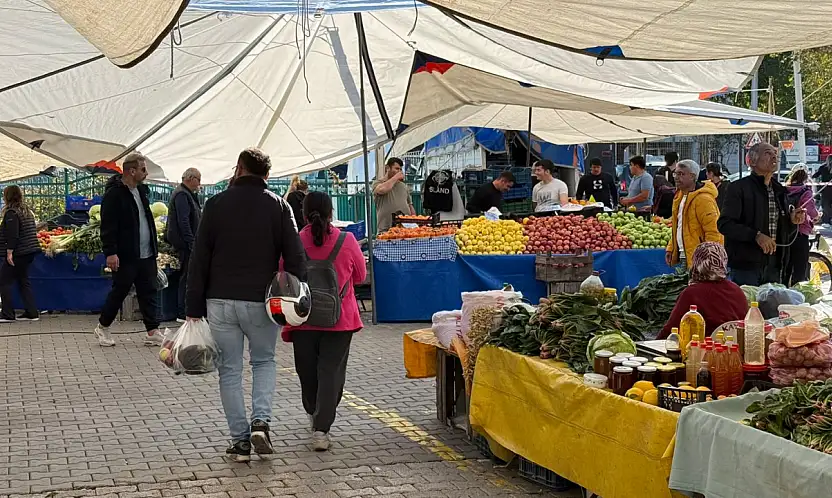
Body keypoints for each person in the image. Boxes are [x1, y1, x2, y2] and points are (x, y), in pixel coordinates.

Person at [186, 147, 307, 462]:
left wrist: (193, 308)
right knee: (263, 361)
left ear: (239, 168)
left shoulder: (215, 204)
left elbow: (199, 259)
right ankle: (261, 423)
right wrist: (296, 293)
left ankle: (239, 441)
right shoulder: (279, 206)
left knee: (229, 370)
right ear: (266, 175)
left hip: (219, 301)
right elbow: (296, 257)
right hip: (261, 301)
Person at [282, 191, 366, 452]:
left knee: (307, 372)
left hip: (302, 318)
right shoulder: (347, 240)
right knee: (331, 373)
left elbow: (283, 276)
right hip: (339, 320)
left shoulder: (294, 241)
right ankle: (322, 429)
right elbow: (360, 276)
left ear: (304, 214)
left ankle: (313, 413)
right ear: (331, 213)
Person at [96, 153, 162, 347]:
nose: (146, 173)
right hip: (127, 254)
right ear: (132, 171)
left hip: (146, 253)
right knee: (120, 291)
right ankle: (102, 327)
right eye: (143, 169)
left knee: (148, 291)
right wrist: (110, 252)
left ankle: (152, 331)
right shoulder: (115, 194)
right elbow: (108, 225)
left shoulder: (141, 191)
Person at [717, 142, 806, 286]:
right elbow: (725, 224)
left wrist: (792, 222)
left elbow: (783, 233)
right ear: (752, 161)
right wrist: (756, 236)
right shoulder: (738, 188)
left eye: (775, 153)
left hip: (775, 265)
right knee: (746, 300)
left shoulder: (780, 191)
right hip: (745, 267)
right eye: (767, 153)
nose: (774, 157)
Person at [659, 242, 749, 339]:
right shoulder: (737, 290)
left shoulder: (691, 293)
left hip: (705, 346)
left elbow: (671, 329)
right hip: (738, 344)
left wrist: (652, 344)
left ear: (697, 263)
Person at [664, 160, 722, 269]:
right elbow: (678, 226)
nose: (676, 177)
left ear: (692, 176)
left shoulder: (703, 199)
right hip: (684, 256)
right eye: (675, 173)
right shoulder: (679, 197)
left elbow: (714, 232)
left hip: (699, 259)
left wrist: (708, 259)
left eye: (681, 174)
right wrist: (671, 248)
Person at [165, 167, 201, 322]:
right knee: (185, 277)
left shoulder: (186, 193)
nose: (199, 183)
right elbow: (183, 221)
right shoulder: (182, 194)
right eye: (198, 179)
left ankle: (183, 310)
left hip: (185, 242)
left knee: (186, 276)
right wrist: (191, 242)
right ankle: (182, 312)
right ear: (190, 178)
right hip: (183, 243)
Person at [0, 186, 40, 322]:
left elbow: (13, 235)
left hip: (19, 252)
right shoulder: (26, 210)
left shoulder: (12, 213)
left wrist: (9, 252)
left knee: (4, 281)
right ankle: (32, 312)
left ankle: (7, 314)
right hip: (30, 251)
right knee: (23, 280)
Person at [785, 168, 819, 286]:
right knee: (800, 267)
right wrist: (817, 216)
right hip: (800, 232)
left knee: (787, 266)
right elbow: (811, 211)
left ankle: (784, 288)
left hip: (786, 232)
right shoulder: (805, 192)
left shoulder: (785, 190)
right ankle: (797, 290)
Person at [373, 157, 414, 233]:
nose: (399, 171)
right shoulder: (378, 183)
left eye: (400, 169)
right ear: (388, 168)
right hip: (386, 229)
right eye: (397, 169)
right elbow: (382, 190)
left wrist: (414, 221)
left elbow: (410, 205)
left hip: (405, 229)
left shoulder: (403, 186)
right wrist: (396, 177)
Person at [812, 157, 832, 226]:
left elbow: (815, 175)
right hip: (827, 189)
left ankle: (826, 221)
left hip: (825, 190)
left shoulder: (823, 167)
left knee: (825, 205)